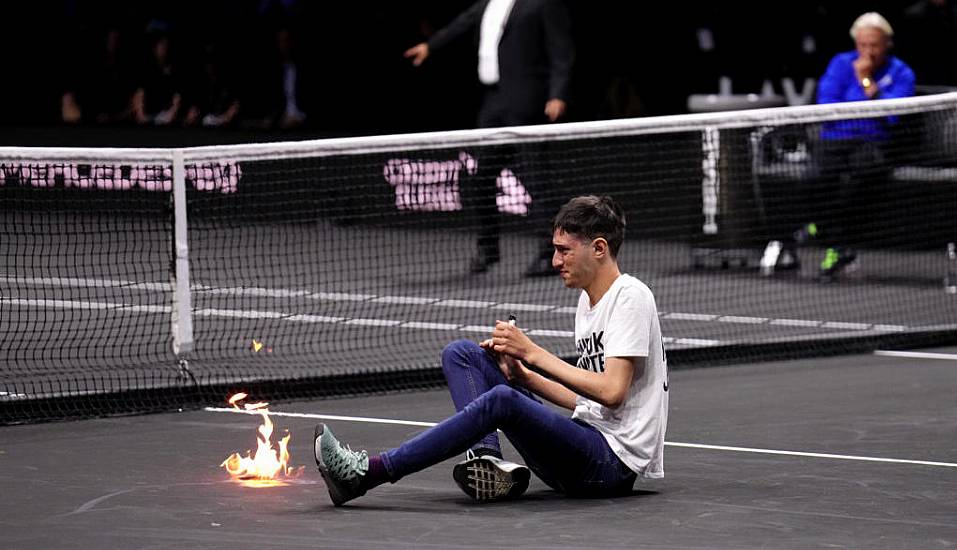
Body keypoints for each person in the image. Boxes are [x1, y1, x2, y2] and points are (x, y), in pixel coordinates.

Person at [313, 195, 669, 505]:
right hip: (581, 449)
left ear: (599, 248)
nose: (555, 262)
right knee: (462, 354)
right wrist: (523, 375)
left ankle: (366, 474)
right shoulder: (587, 302)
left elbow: (612, 392)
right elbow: (585, 402)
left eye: (564, 251)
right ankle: (488, 460)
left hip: (608, 465)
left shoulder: (630, 296)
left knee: (502, 399)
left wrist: (531, 353)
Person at [404, 0, 575, 276]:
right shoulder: (488, 4)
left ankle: (550, 253)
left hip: (526, 103)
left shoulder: (541, 5)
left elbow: (561, 50)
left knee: (536, 179)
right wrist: (430, 45)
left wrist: (558, 94)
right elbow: (459, 24)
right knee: (481, 176)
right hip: (493, 103)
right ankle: (488, 248)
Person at [768, 12, 915, 281]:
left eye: (875, 45)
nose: (868, 51)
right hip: (834, 141)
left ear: (888, 43)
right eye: (863, 45)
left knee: (863, 177)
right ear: (856, 43)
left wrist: (866, 80)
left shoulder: (901, 72)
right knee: (813, 179)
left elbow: (892, 116)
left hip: (873, 143)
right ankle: (835, 242)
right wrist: (865, 108)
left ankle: (826, 236)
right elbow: (827, 103)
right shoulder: (840, 64)